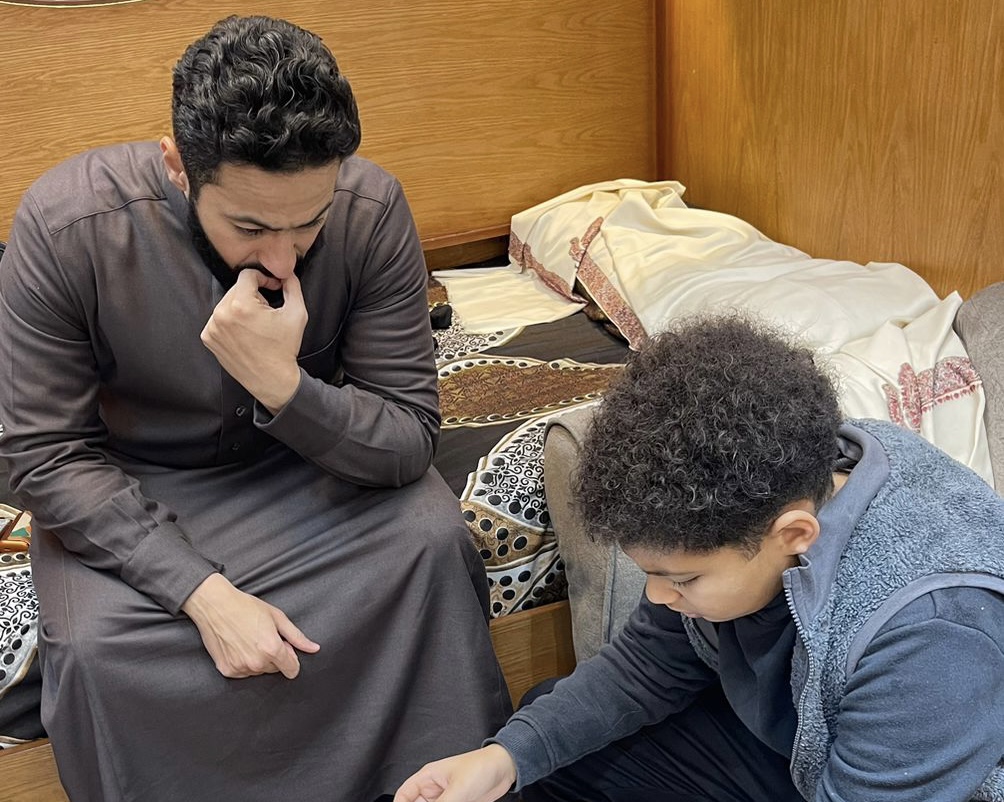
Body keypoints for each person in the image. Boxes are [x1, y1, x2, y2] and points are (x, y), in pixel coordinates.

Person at [0, 15, 511, 801]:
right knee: (100, 650)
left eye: (310, 223)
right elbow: (41, 454)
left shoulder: (371, 210)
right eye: (250, 226)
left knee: (433, 545)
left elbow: (408, 435)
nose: (281, 256)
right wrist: (199, 592)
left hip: (310, 468)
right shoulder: (69, 228)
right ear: (178, 167)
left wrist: (285, 388)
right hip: (127, 489)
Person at [394, 315, 1004, 802]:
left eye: (682, 579)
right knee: (545, 743)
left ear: (793, 534)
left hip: (911, 778)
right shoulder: (790, 481)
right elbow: (648, 664)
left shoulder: (933, 634)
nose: (659, 596)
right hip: (797, 741)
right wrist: (502, 759)